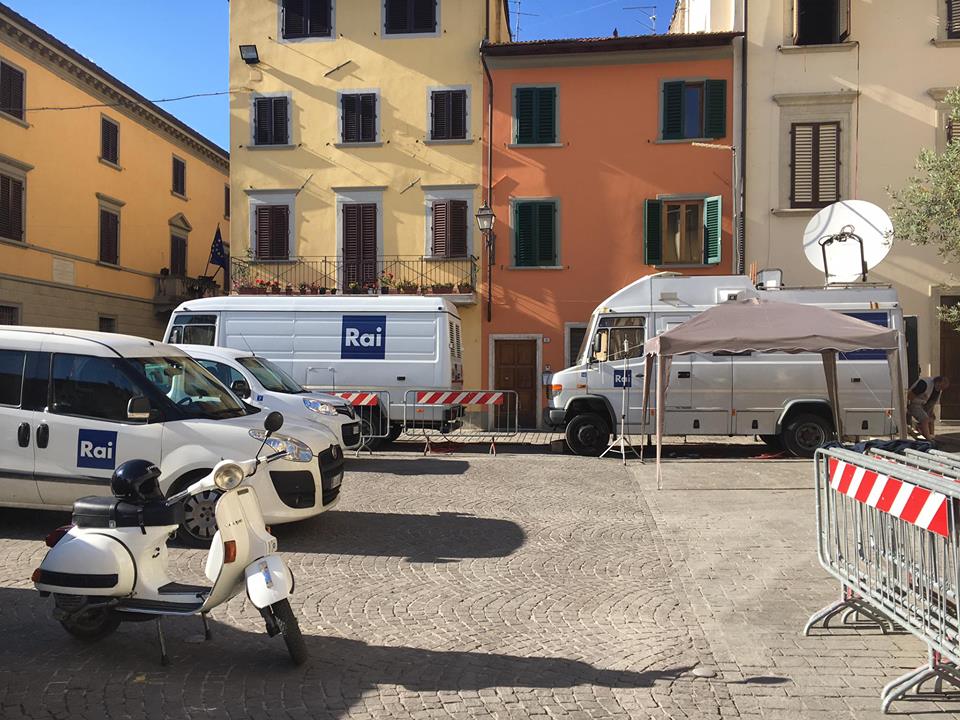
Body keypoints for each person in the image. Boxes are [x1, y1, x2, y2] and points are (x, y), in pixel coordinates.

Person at [907, 375, 950, 442]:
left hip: (924, 404)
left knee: (931, 418)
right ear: (938, 382)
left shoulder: (938, 390)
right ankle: (928, 439)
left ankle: (931, 435)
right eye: (941, 387)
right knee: (925, 418)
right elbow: (909, 396)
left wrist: (931, 413)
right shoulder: (924, 383)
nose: (941, 389)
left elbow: (932, 403)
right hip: (914, 403)